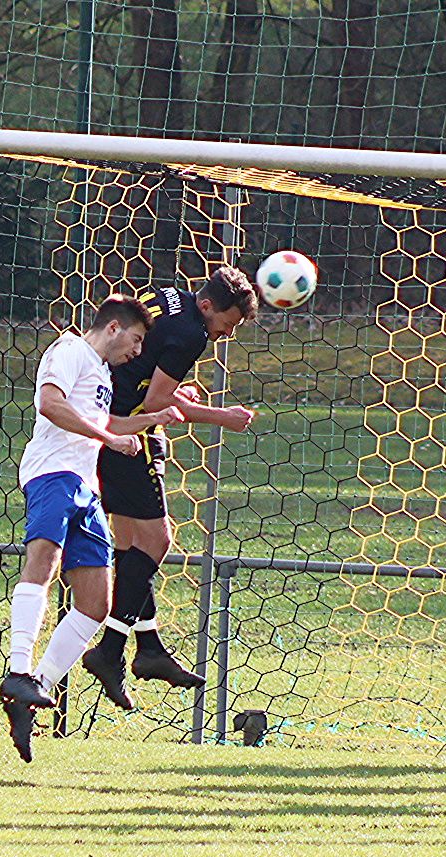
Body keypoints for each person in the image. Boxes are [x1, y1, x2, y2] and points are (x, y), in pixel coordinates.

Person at [0, 295, 183, 761]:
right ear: (114, 328)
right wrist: (109, 439)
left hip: (85, 485)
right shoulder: (69, 350)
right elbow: (50, 405)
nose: (137, 352)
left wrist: (152, 420)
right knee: (44, 559)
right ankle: (17, 671)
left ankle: (33, 689)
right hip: (52, 474)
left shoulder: (101, 372)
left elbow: (108, 422)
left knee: (96, 605)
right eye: (136, 340)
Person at [79, 268, 259, 709]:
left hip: (101, 419)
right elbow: (157, 401)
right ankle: (111, 650)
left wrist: (175, 388)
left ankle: (149, 647)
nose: (226, 334)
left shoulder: (169, 296)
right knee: (157, 542)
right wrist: (223, 417)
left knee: (130, 545)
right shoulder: (192, 333)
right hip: (128, 431)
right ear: (207, 306)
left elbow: (147, 368)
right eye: (227, 324)